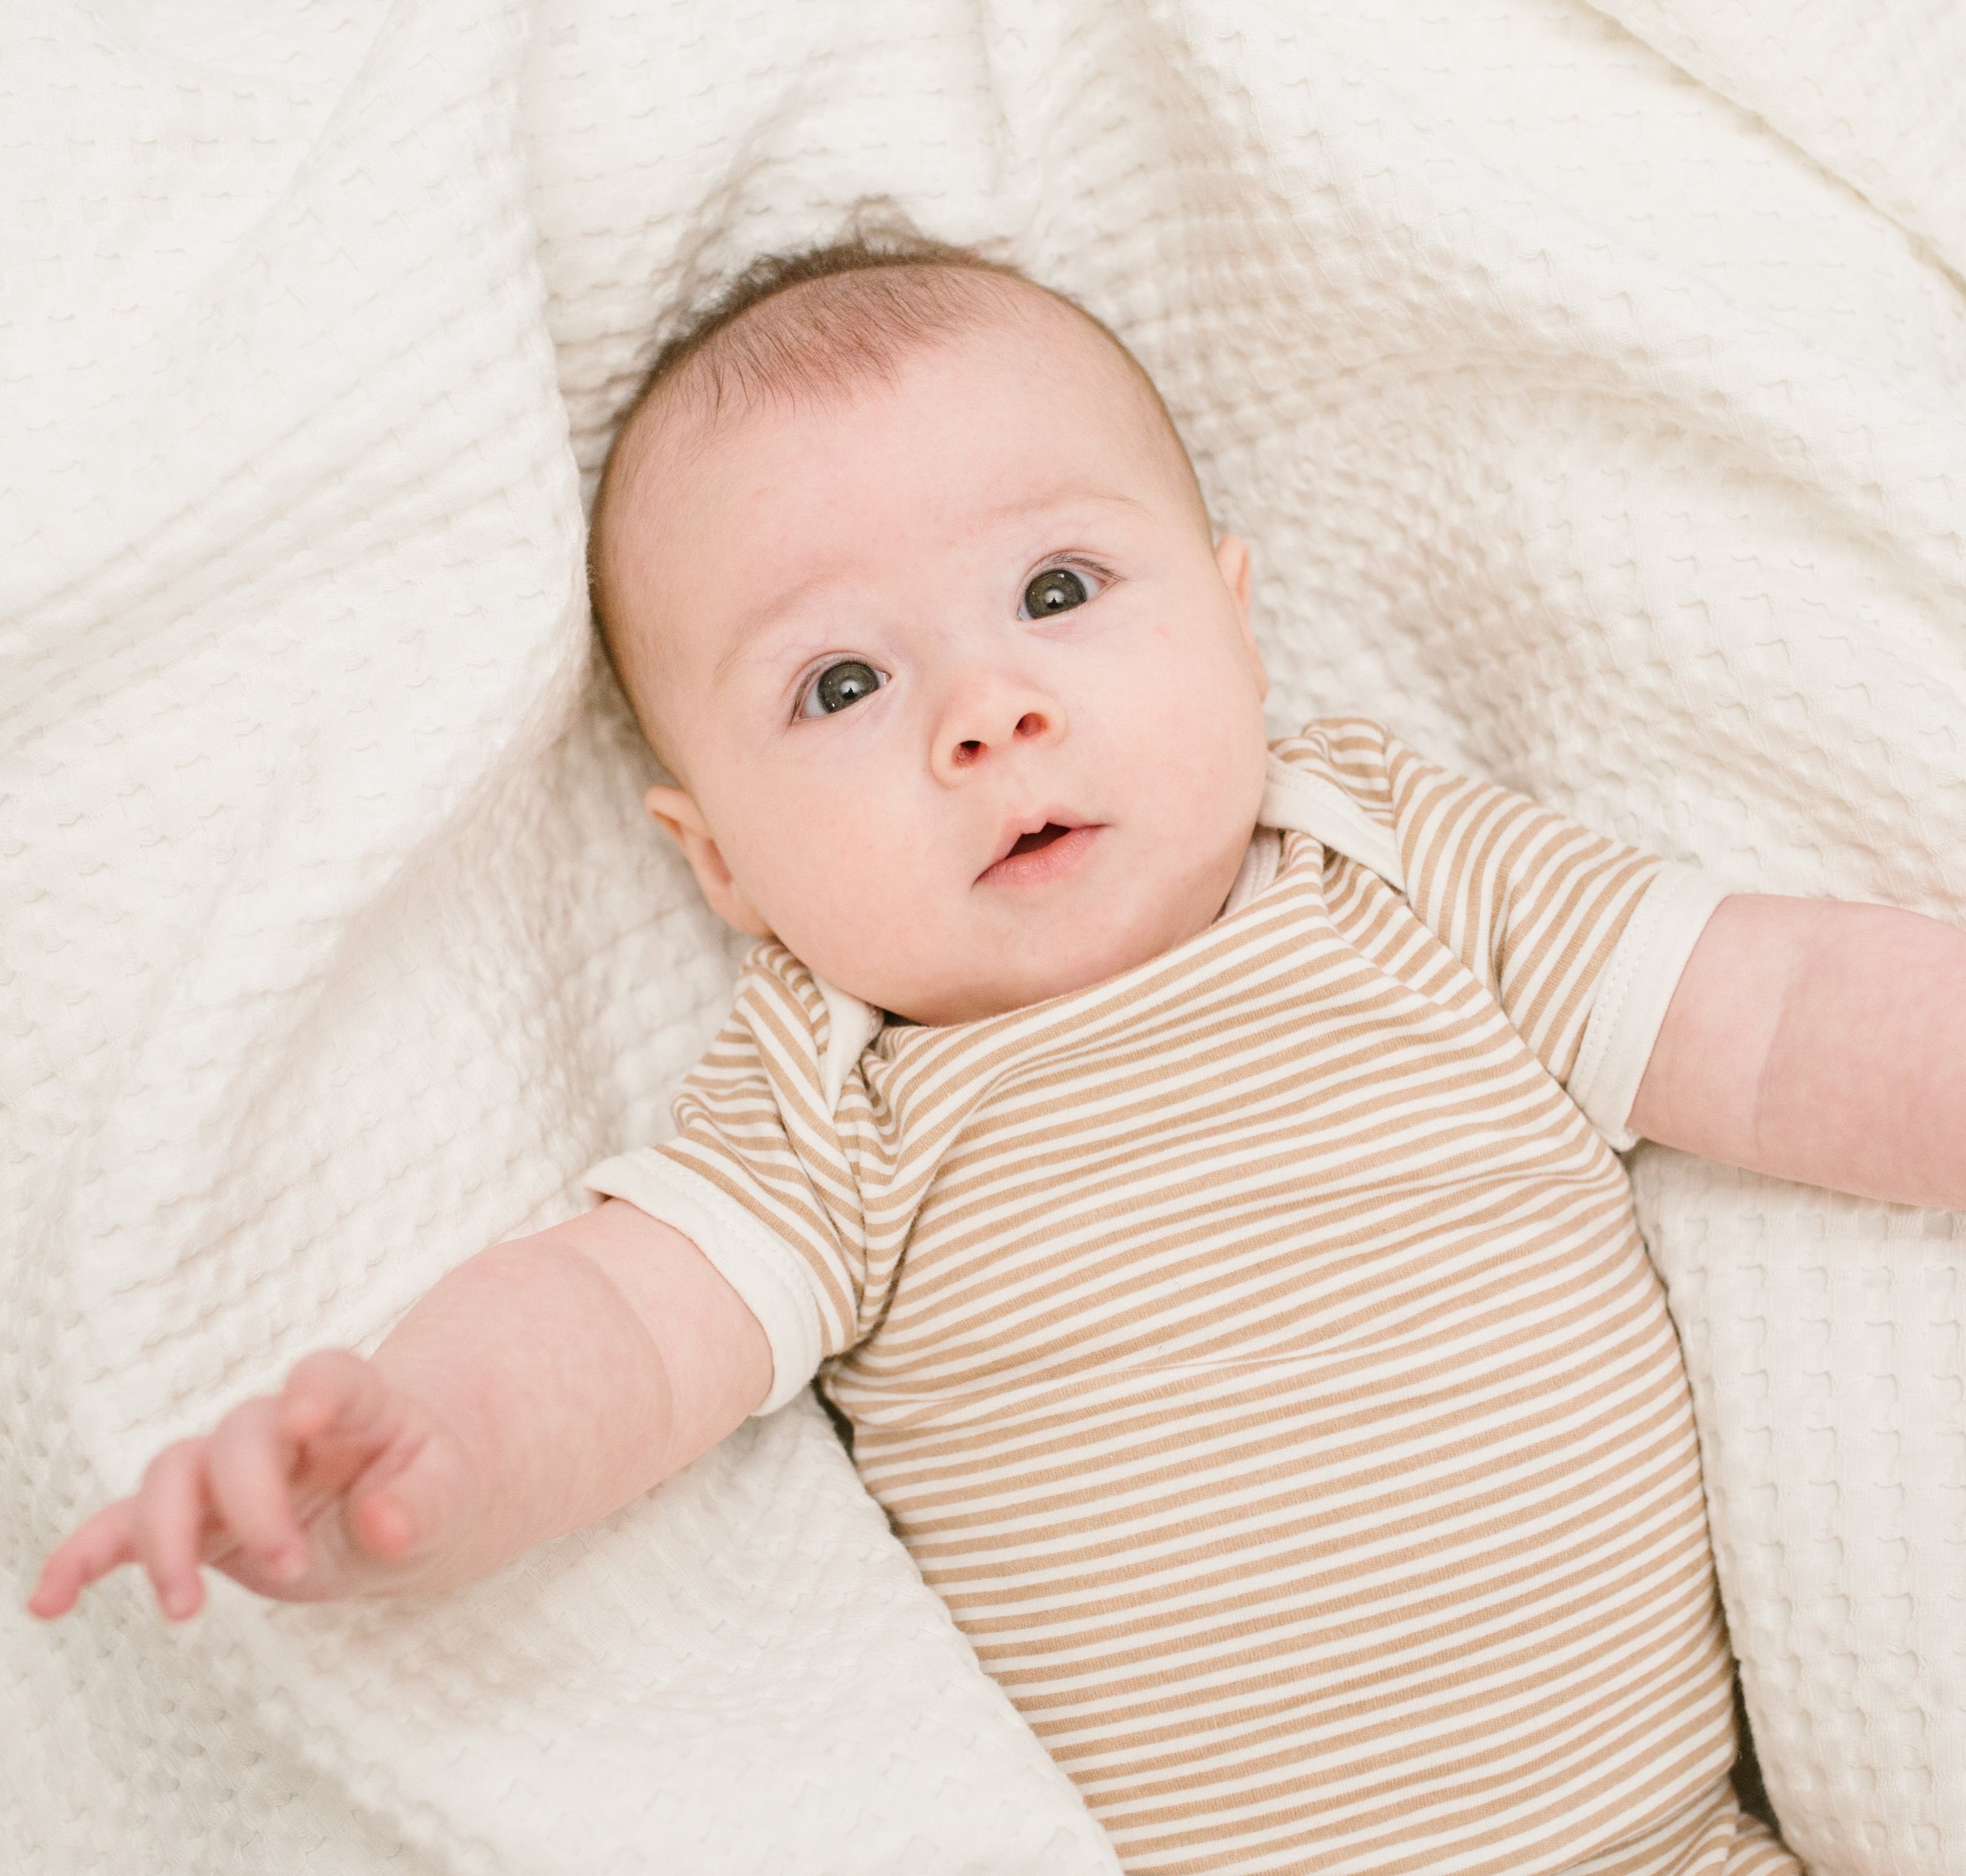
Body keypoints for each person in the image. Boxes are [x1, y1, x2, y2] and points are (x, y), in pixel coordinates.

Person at [33, 237, 1966, 1874]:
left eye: (1056, 592)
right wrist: (415, 1448)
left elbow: (1782, 1013)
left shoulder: (1398, 864)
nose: (988, 712)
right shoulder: (829, 1099)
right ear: (723, 864)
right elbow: (614, 1334)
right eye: (840, 685)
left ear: (1238, 631)